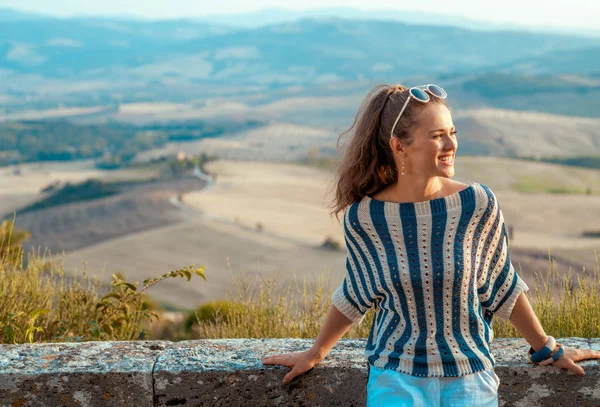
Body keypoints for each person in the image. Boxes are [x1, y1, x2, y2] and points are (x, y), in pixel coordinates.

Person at [261, 83, 600, 406]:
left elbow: (502, 287)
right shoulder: (366, 218)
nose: (451, 144)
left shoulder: (476, 205)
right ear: (399, 146)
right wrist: (316, 352)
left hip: (471, 379)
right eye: (437, 135)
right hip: (395, 380)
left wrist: (548, 350)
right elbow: (356, 292)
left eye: (452, 133)